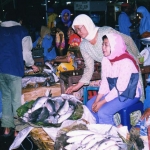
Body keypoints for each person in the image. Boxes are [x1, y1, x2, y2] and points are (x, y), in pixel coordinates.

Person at [65, 14, 144, 102]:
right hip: (112, 72)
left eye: (80, 28)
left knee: (134, 99)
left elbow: (128, 39)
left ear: (87, 23)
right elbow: (89, 68)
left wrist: (138, 56)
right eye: (76, 30)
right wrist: (77, 86)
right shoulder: (84, 45)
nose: (78, 32)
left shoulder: (106, 32)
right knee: (115, 101)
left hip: (127, 68)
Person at [86, 33, 142, 125]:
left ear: (115, 46)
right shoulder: (106, 59)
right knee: (90, 105)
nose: (103, 47)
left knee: (103, 112)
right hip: (114, 90)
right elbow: (105, 82)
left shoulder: (126, 62)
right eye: (103, 44)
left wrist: (102, 102)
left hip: (130, 93)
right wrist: (97, 100)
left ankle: (110, 137)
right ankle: (99, 132)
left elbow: (121, 88)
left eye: (106, 45)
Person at [0, 11, 39, 137]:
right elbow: (26, 53)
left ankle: (6, 128)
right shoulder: (21, 30)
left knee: (5, 98)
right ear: (19, 20)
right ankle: (18, 130)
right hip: (14, 69)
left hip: (1, 70)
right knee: (16, 99)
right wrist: (31, 64)